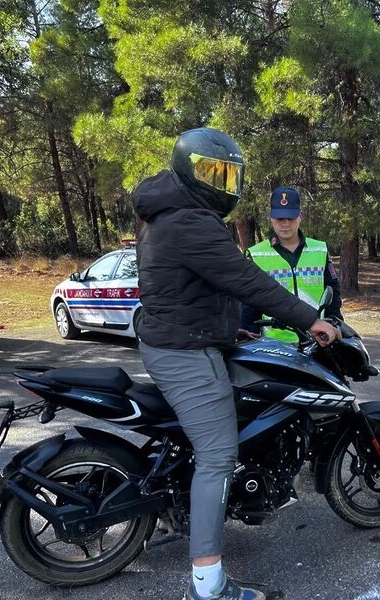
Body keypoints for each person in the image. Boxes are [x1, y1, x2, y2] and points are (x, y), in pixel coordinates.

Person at [132, 128, 340, 600]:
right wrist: (313, 320)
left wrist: (230, 332)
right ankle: (208, 586)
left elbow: (195, 289)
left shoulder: (169, 213)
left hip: (184, 338)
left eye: (227, 174)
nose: (221, 183)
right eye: (211, 172)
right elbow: (248, 281)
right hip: (184, 352)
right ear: (188, 169)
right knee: (218, 454)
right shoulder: (190, 220)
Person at [240, 186, 343, 342]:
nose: (285, 223)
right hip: (273, 346)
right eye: (280, 218)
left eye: (291, 217)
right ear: (271, 217)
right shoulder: (256, 255)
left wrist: (335, 325)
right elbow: (248, 306)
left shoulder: (320, 250)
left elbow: (333, 297)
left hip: (318, 342)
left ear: (300, 216)